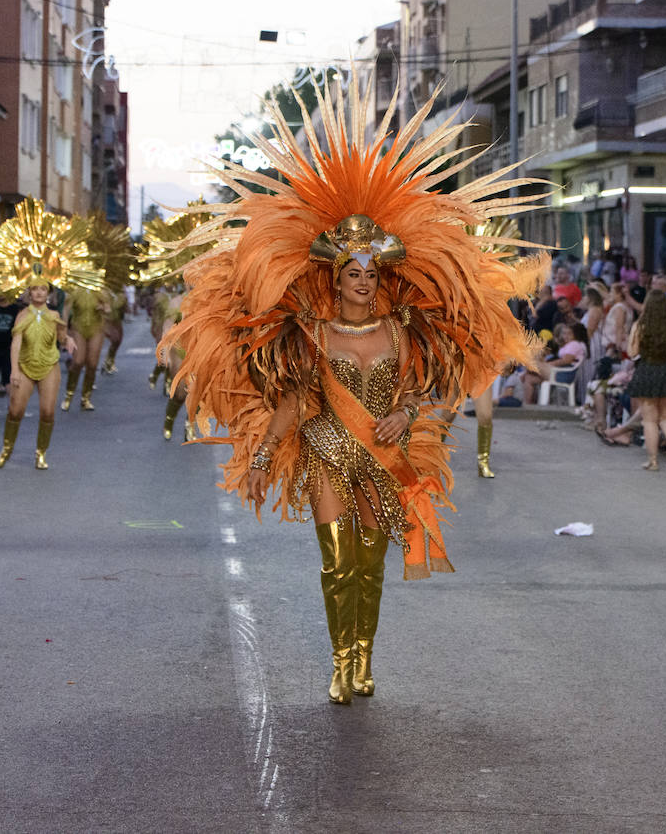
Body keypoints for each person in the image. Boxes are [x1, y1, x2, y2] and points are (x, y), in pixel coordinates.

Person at [158, 78, 540, 705]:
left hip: (384, 459)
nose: (363, 280)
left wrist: (405, 412)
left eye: (371, 271)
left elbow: (431, 386)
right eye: (352, 271)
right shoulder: (314, 332)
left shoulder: (401, 327)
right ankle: (341, 663)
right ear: (335, 277)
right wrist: (259, 458)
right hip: (329, 455)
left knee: (372, 566)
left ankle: (365, 658)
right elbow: (295, 401)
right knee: (338, 564)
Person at [0, 199, 89, 469]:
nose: (38, 293)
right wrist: (14, 370)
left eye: (42, 289)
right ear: (28, 292)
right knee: (16, 410)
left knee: (48, 412)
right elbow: (16, 342)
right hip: (24, 367)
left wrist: (68, 338)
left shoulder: (54, 316)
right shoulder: (22, 315)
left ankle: (41, 453)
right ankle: (6, 450)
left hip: (48, 366)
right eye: (34, 289)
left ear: (48, 293)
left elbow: (62, 336)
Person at [627, 289, 666, 471]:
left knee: (650, 420)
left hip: (647, 372)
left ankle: (653, 461)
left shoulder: (640, 326)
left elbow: (632, 353)